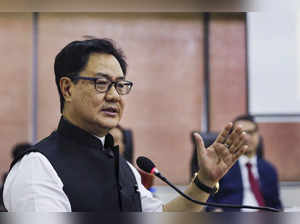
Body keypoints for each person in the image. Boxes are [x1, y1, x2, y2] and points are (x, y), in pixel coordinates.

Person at [3, 38, 248, 212]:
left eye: (120, 85)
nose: (115, 96)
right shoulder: (37, 167)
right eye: (101, 83)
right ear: (67, 88)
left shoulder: (124, 168)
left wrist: (204, 181)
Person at [204, 115, 282, 211]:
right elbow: (207, 201)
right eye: (241, 133)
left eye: (251, 132)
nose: (247, 138)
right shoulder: (221, 166)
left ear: (258, 135)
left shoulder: (269, 169)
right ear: (231, 137)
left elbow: (277, 205)